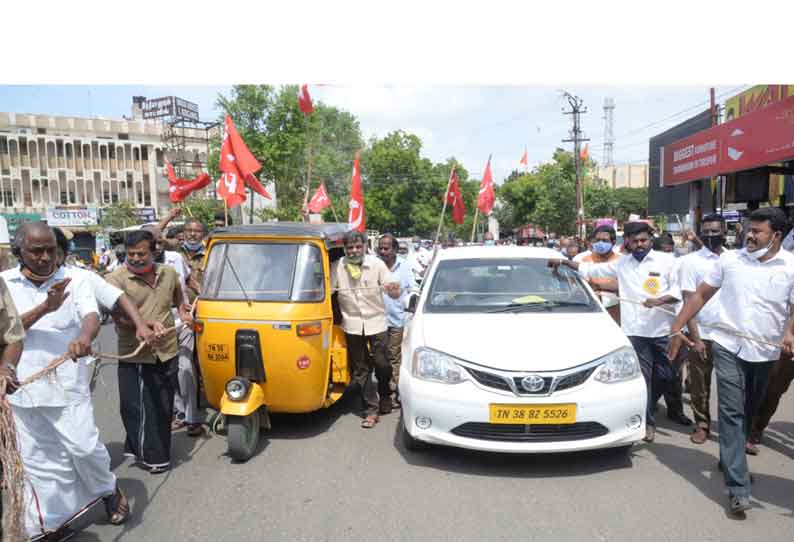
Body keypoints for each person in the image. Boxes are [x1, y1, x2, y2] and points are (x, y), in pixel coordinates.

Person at [1, 223, 130, 539]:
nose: (46, 258)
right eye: (37, 251)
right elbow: (10, 331)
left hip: (67, 383)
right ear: (19, 252)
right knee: (40, 463)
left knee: (83, 448)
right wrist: (46, 308)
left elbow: (90, 316)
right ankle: (49, 524)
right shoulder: (4, 283)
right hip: (20, 388)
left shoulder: (75, 278)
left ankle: (108, 489)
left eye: (50, 250)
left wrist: (84, 338)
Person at [668, 207, 794, 515]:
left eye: (757, 231)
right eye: (748, 230)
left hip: (764, 353)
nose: (749, 236)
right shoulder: (730, 261)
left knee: (750, 410)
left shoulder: (791, 266)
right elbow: (699, 295)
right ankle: (738, 486)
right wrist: (677, 326)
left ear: (776, 236)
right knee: (731, 411)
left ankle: (729, 456)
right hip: (727, 345)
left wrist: (790, 332)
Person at [550, 221, 682, 443]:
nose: (640, 245)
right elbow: (590, 269)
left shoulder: (668, 261)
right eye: (635, 241)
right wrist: (564, 262)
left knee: (667, 375)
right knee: (644, 380)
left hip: (662, 330)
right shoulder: (623, 264)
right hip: (634, 331)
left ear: (651, 240)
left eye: (644, 240)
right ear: (627, 242)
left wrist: (660, 299)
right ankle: (647, 422)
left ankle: (652, 403)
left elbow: (679, 290)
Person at [106, 229, 192, 474]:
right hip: (135, 352)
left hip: (167, 348)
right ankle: (150, 453)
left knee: (162, 404)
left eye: (141, 253)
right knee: (134, 406)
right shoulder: (115, 279)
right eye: (130, 254)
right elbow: (117, 316)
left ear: (154, 251)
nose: (135, 258)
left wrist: (182, 310)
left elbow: (177, 294)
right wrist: (141, 326)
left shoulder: (169, 272)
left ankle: (156, 452)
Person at [331, 231, 400, 429]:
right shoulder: (337, 267)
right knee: (361, 369)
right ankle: (371, 409)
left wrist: (393, 290)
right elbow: (328, 291)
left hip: (376, 322)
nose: (354, 250)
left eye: (357, 247)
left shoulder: (376, 264)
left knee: (382, 363)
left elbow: (394, 290)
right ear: (345, 249)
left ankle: (385, 394)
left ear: (364, 247)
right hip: (352, 325)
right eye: (350, 247)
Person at [675, 215, 729, 445]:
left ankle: (734, 430)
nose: (710, 235)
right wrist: (695, 339)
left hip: (731, 337)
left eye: (715, 231)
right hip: (701, 333)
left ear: (725, 232)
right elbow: (689, 302)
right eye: (705, 231)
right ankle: (702, 425)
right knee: (699, 385)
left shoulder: (736, 260)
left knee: (731, 389)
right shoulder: (690, 262)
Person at [173, 217, 207, 437]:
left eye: (197, 231)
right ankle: (182, 412)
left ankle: (199, 406)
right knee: (181, 365)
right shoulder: (173, 255)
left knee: (199, 361)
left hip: (204, 311)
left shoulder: (211, 253)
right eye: (189, 230)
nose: (193, 234)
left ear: (203, 234)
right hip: (180, 314)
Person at [377, 233, 414, 408]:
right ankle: (383, 391)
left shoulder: (405, 267)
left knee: (393, 357)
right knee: (379, 359)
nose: (383, 251)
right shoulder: (373, 265)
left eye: (387, 248)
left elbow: (412, 289)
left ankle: (393, 393)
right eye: (381, 248)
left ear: (395, 249)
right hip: (375, 320)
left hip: (397, 319)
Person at [574, 225, 621, 324]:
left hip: (615, 311)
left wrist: (595, 285)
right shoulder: (580, 260)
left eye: (604, 240)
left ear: (613, 242)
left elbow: (623, 285)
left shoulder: (622, 261)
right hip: (586, 310)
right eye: (597, 240)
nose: (600, 243)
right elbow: (575, 284)